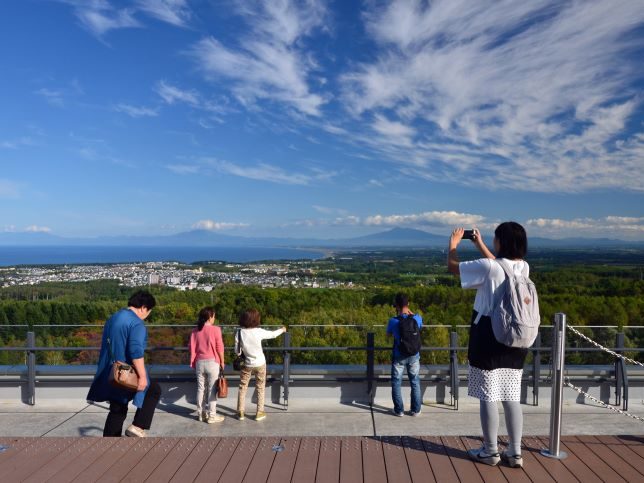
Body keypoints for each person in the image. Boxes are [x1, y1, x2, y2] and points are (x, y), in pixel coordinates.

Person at [448, 223, 529, 468]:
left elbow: (453, 269)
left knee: (488, 396)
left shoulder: (487, 267)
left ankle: (490, 450)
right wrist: (479, 244)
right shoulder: (524, 267)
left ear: (501, 241)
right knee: (511, 396)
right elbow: (500, 265)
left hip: (488, 335)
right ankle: (515, 453)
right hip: (516, 337)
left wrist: (453, 244)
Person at [87, 290, 161, 437]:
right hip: (126, 371)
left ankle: (110, 443)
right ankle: (138, 426)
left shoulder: (114, 317)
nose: (147, 316)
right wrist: (142, 376)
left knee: (117, 408)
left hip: (111, 370)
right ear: (143, 307)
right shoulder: (136, 323)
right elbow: (136, 351)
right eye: (149, 311)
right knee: (153, 389)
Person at [235, 309, 286, 421]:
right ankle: (259, 412)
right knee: (260, 387)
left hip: (247, 364)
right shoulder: (259, 331)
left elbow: (237, 351)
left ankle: (240, 412)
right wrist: (282, 330)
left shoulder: (239, 332)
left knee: (243, 387)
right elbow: (273, 335)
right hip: (260, 363)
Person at [386, 293, 423, 417]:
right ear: (409, 304)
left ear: (396, 305)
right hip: (414, 355)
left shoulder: (393, 321)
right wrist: (410, 314)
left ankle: (399, 410)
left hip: (399, 355)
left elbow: (388, 335)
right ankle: (415, 410)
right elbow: (419, 327)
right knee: (415, 382)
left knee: (396, 382)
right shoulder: (417, 318)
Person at [189, 306, 225, 424]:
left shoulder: (195, 331)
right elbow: (219, 348)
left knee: (200, 389)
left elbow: (191, 348)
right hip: (212, 362)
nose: (214, 318)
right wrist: (222, 361)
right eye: (214, 316)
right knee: (211, 389)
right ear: (210, 317)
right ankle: (212, 416)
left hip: (199, 362)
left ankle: (201, 413)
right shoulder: (216, 329)